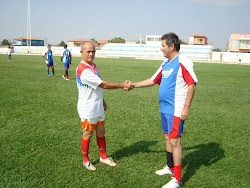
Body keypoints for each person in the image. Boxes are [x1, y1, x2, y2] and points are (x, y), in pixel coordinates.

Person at [126, 32, 198, 188]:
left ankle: (178, 179)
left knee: (175, 141)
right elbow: (152, 80)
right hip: (164, 108)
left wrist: (186, 107)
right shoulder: (165, 64)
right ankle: (170, 167)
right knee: (167, 138)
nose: (161, 49)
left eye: (163, 46)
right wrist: (133, 85)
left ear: (172, 46)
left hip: (176, 110)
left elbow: (192, 84)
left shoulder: (182, 61)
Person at [76, 42, 132, 171]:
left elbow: (95, 87)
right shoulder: (83, 70)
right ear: (81, 53)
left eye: (93, 51)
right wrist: (123, 85)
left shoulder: (93, 66)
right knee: (88, 134)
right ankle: (86, 160)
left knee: (101, 132)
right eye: (88, 51)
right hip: (88, 108)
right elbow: (103, 85)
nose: (91, 54)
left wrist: (102, 100)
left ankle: (103, 157)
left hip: (98, 106)